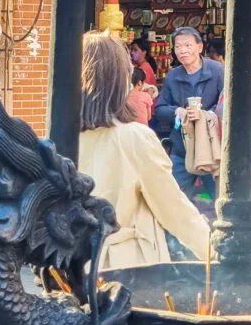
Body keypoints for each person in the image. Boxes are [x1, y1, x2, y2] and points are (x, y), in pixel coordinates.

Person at [78, 33, 210, 267]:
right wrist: (213, 250)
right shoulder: (134, 138)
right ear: (120, 82)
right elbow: (174, 210)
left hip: (71, 269)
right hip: (122, 269)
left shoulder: (60, 137)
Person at [155, 27, 224, 198]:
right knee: (176, 198)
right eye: (178, 46)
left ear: (199, 47)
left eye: (187, 45)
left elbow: (227, 104)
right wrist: (177, 111)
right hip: (182, 147)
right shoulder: (173, 76)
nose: (182, 51)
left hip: (210, 148)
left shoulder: (217, 71)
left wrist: (206, 115)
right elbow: (159, 109)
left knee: (219, 197)